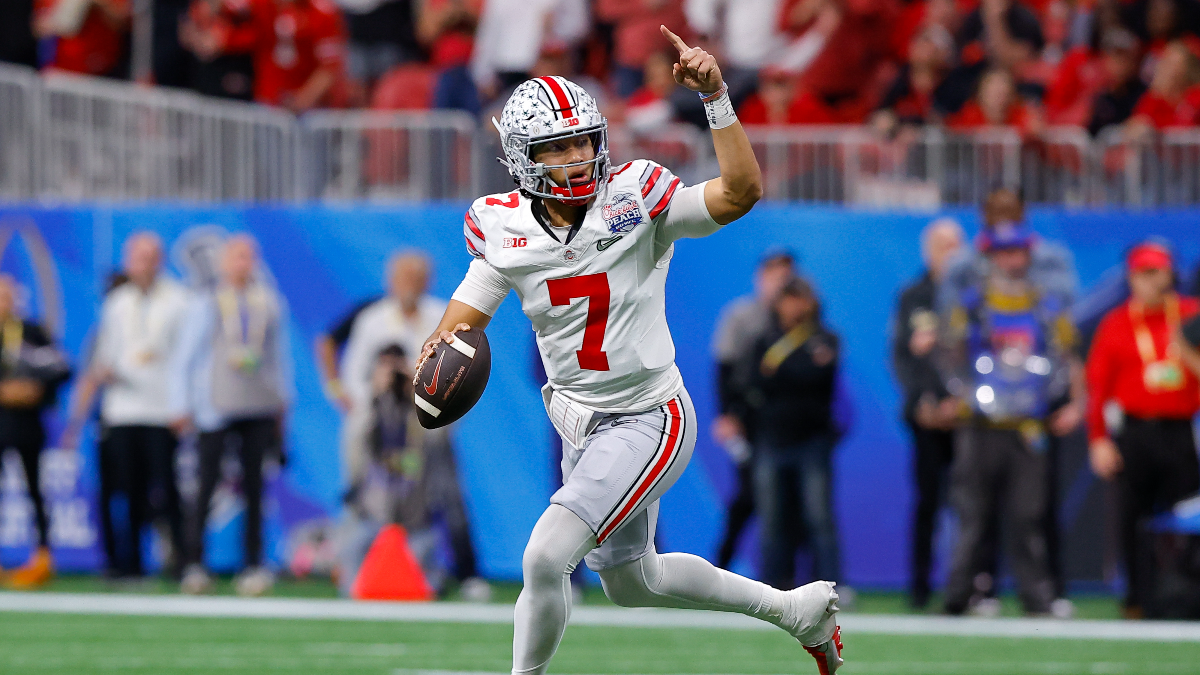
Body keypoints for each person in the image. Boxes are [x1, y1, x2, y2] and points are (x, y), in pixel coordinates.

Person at [417, 26, 843, 675]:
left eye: (584, 140)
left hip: (649, 414)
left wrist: (716, 98)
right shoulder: (501, 224)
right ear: (523, 157)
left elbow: (740, 193)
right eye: (558, 147)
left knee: (544, 556)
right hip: (580, 421)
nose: (577, 156)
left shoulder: (636, 195)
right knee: (633, 582)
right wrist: (438, 356)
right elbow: (463, 318)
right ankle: (795, 609)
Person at [937, 222, 1082, 617]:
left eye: (1017, 251)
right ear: (988, 256)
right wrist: (964, 393)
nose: (1010, 260)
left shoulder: (1048, 307)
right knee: (972, 517)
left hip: (1027, 426)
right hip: (979, 425)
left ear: (1028, 255)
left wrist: (1046, 398)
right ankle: (958, 597)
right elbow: (949, 354)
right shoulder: (970, 304)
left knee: (1028, 516)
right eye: (1002, 252)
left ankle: (1037, 599)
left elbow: (1063, 357)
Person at [168, 235, 294, 597]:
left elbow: (278, 355)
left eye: (249, 257)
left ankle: (253, 563)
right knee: (206, 484)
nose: (243, 263)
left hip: (258, 403)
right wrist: (181, 405)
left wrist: (283, 400)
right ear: (223, 262)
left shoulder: (268, 301)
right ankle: (194, 563)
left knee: (255, 487)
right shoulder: (206, 302)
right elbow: (186, 357)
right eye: (237, 256)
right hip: (216, 406)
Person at [1085, 241, 1200, 619]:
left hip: (1181, 431)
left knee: (1185, 516)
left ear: (1171, 275)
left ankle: (1184, 596)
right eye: (1144, 273)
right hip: (1135, 433)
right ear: (1131, 278)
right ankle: (1136, 599)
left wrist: (1186, 349)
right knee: (1131, 519)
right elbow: (1098, 386)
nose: (1152, 281)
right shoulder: (1116, 322)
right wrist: (1098, 439)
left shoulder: (1190, 315)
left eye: (1158, 272)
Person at [73, 233, 191, 579]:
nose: (143, 264)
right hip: (121, 409)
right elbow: (105, 352)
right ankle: (128, 563)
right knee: (125, 488)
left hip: (162, 409)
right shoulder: (117, 301)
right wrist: (102, 374)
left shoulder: (179, 300)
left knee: (166, 487)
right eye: (137, 257)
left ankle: (181, 561)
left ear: (160, 260)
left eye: (150, 257)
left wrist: (184, 406)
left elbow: (186, 359)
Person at [744, 277, 843, 592]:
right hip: (771, 439)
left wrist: (782, 372)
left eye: (801, 298)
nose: (795, 306)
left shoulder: (826, 338)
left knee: (818, 517)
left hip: (813, 441)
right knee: (772, 519)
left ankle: (831, 585)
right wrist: (798, 370)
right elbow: (754, 381)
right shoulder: (765, 340)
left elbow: (818, 377)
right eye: (789, 298)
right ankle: (772, 587)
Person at [892, 217, 964, 609]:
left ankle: (973, 587)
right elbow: (901, 356)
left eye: (955, 246)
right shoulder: (913, 296)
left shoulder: (973, 293)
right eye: (942, 246)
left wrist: (964, 401)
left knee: (973, 505)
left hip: (968, 417)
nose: (950, 255)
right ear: (928, 251)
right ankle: (919, 588)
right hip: (926, 418)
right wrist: (921, 400)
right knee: (928, 503)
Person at [710, 249, 796, 569]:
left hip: (782, 420)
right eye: (774, 276)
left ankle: (782, 573)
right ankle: (721, 563)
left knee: (788, 498)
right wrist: (726, 415)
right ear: (760, 278)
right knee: (749, 494)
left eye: (786, 277)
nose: (780, 284)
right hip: (747, 419)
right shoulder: (741, 315)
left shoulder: (797, 316)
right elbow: (723, 367)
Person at [0, 275, 72, 589]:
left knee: (35, 490)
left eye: (7, 296)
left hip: (26, 425)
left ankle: (43, 556)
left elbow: (62, 368)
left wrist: (35, 390)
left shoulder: (31, 332)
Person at [33, 0, 131, 76]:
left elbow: (123, 23)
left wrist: (101, 5)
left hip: (102, 70)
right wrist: (58, 22)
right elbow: (38, 26)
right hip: (59, 69)